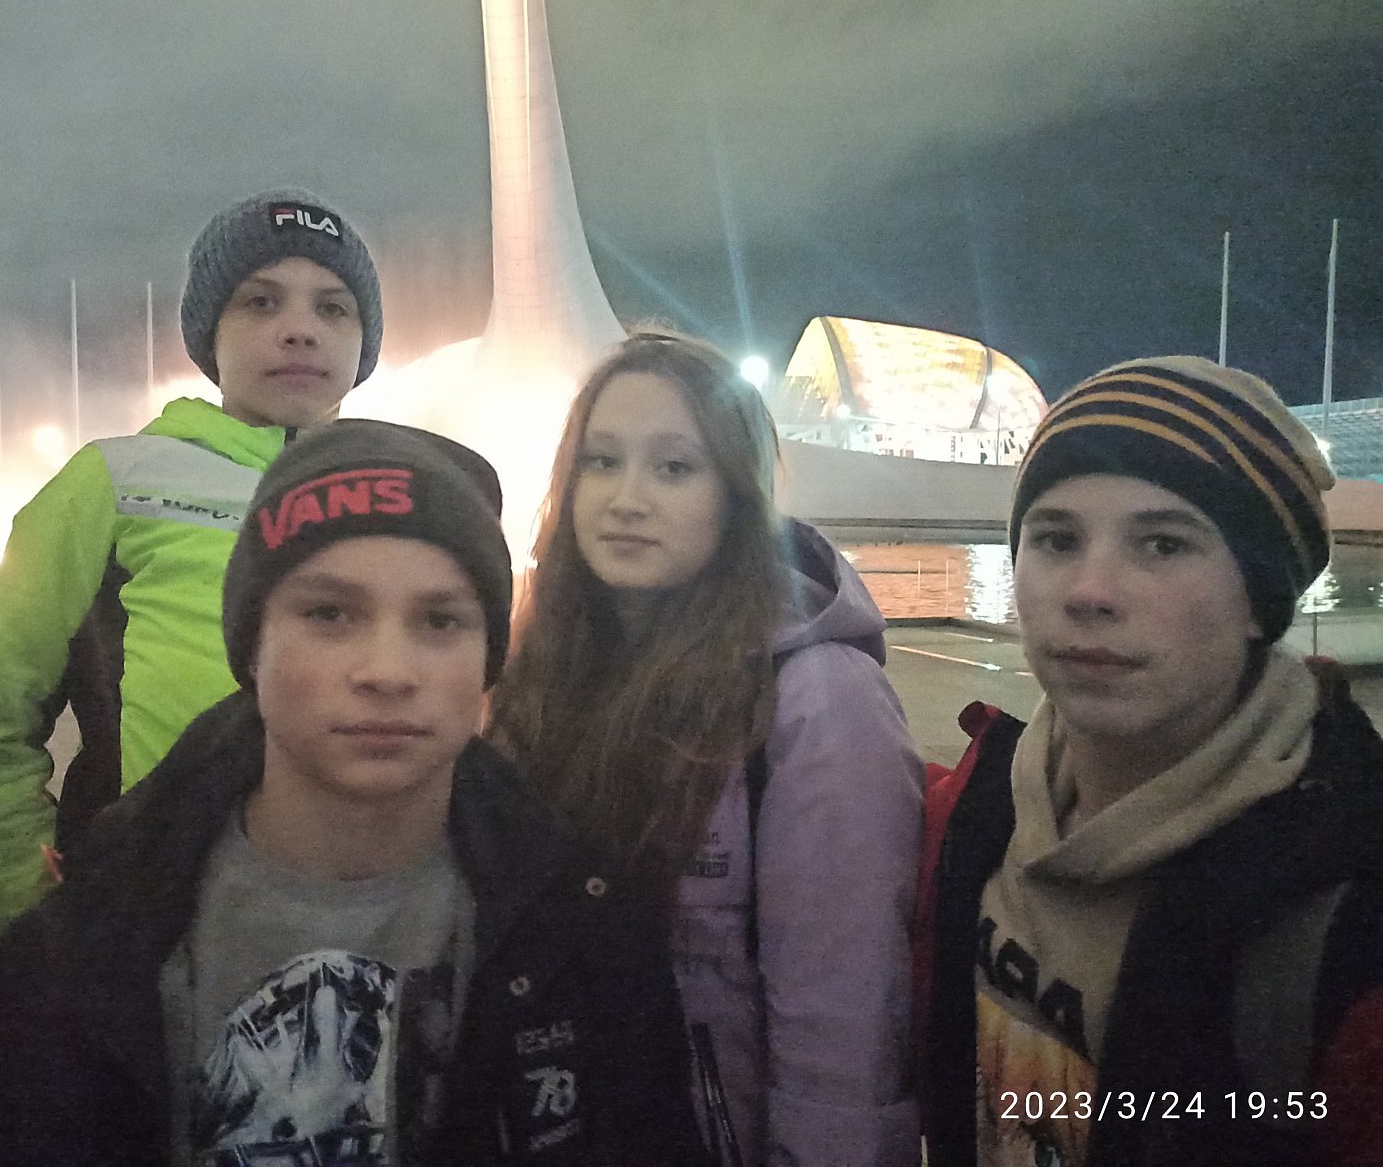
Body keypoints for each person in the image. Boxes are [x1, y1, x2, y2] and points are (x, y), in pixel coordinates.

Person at [0, 419, 708, 1167]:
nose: (387, 671)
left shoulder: (589, 937)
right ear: (250, 646)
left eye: (440, 621)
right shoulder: (81, 947)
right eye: (330, 613)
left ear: (488, 659)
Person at [918, 356, 1383, 1167]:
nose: (1090, 589)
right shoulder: (973, 810)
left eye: (1164, 543)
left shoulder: (1350, 924)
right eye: (1056, 538)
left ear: (1261, 597)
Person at [488, 331, 925, 1167]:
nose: (627, 498)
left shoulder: (817, 699)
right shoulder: (539, 672)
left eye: (674, 468)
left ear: (737, 495)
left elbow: (845, 1030)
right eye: (601, 461)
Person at [0, 188, 384, 945]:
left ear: (363, 344)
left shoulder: (399, 494)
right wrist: (34, 925)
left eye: (333, 308)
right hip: (150, 929)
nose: (300, 329)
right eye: (260, 302)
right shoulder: (111, 483)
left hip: (361, 929)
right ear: (209, 332)